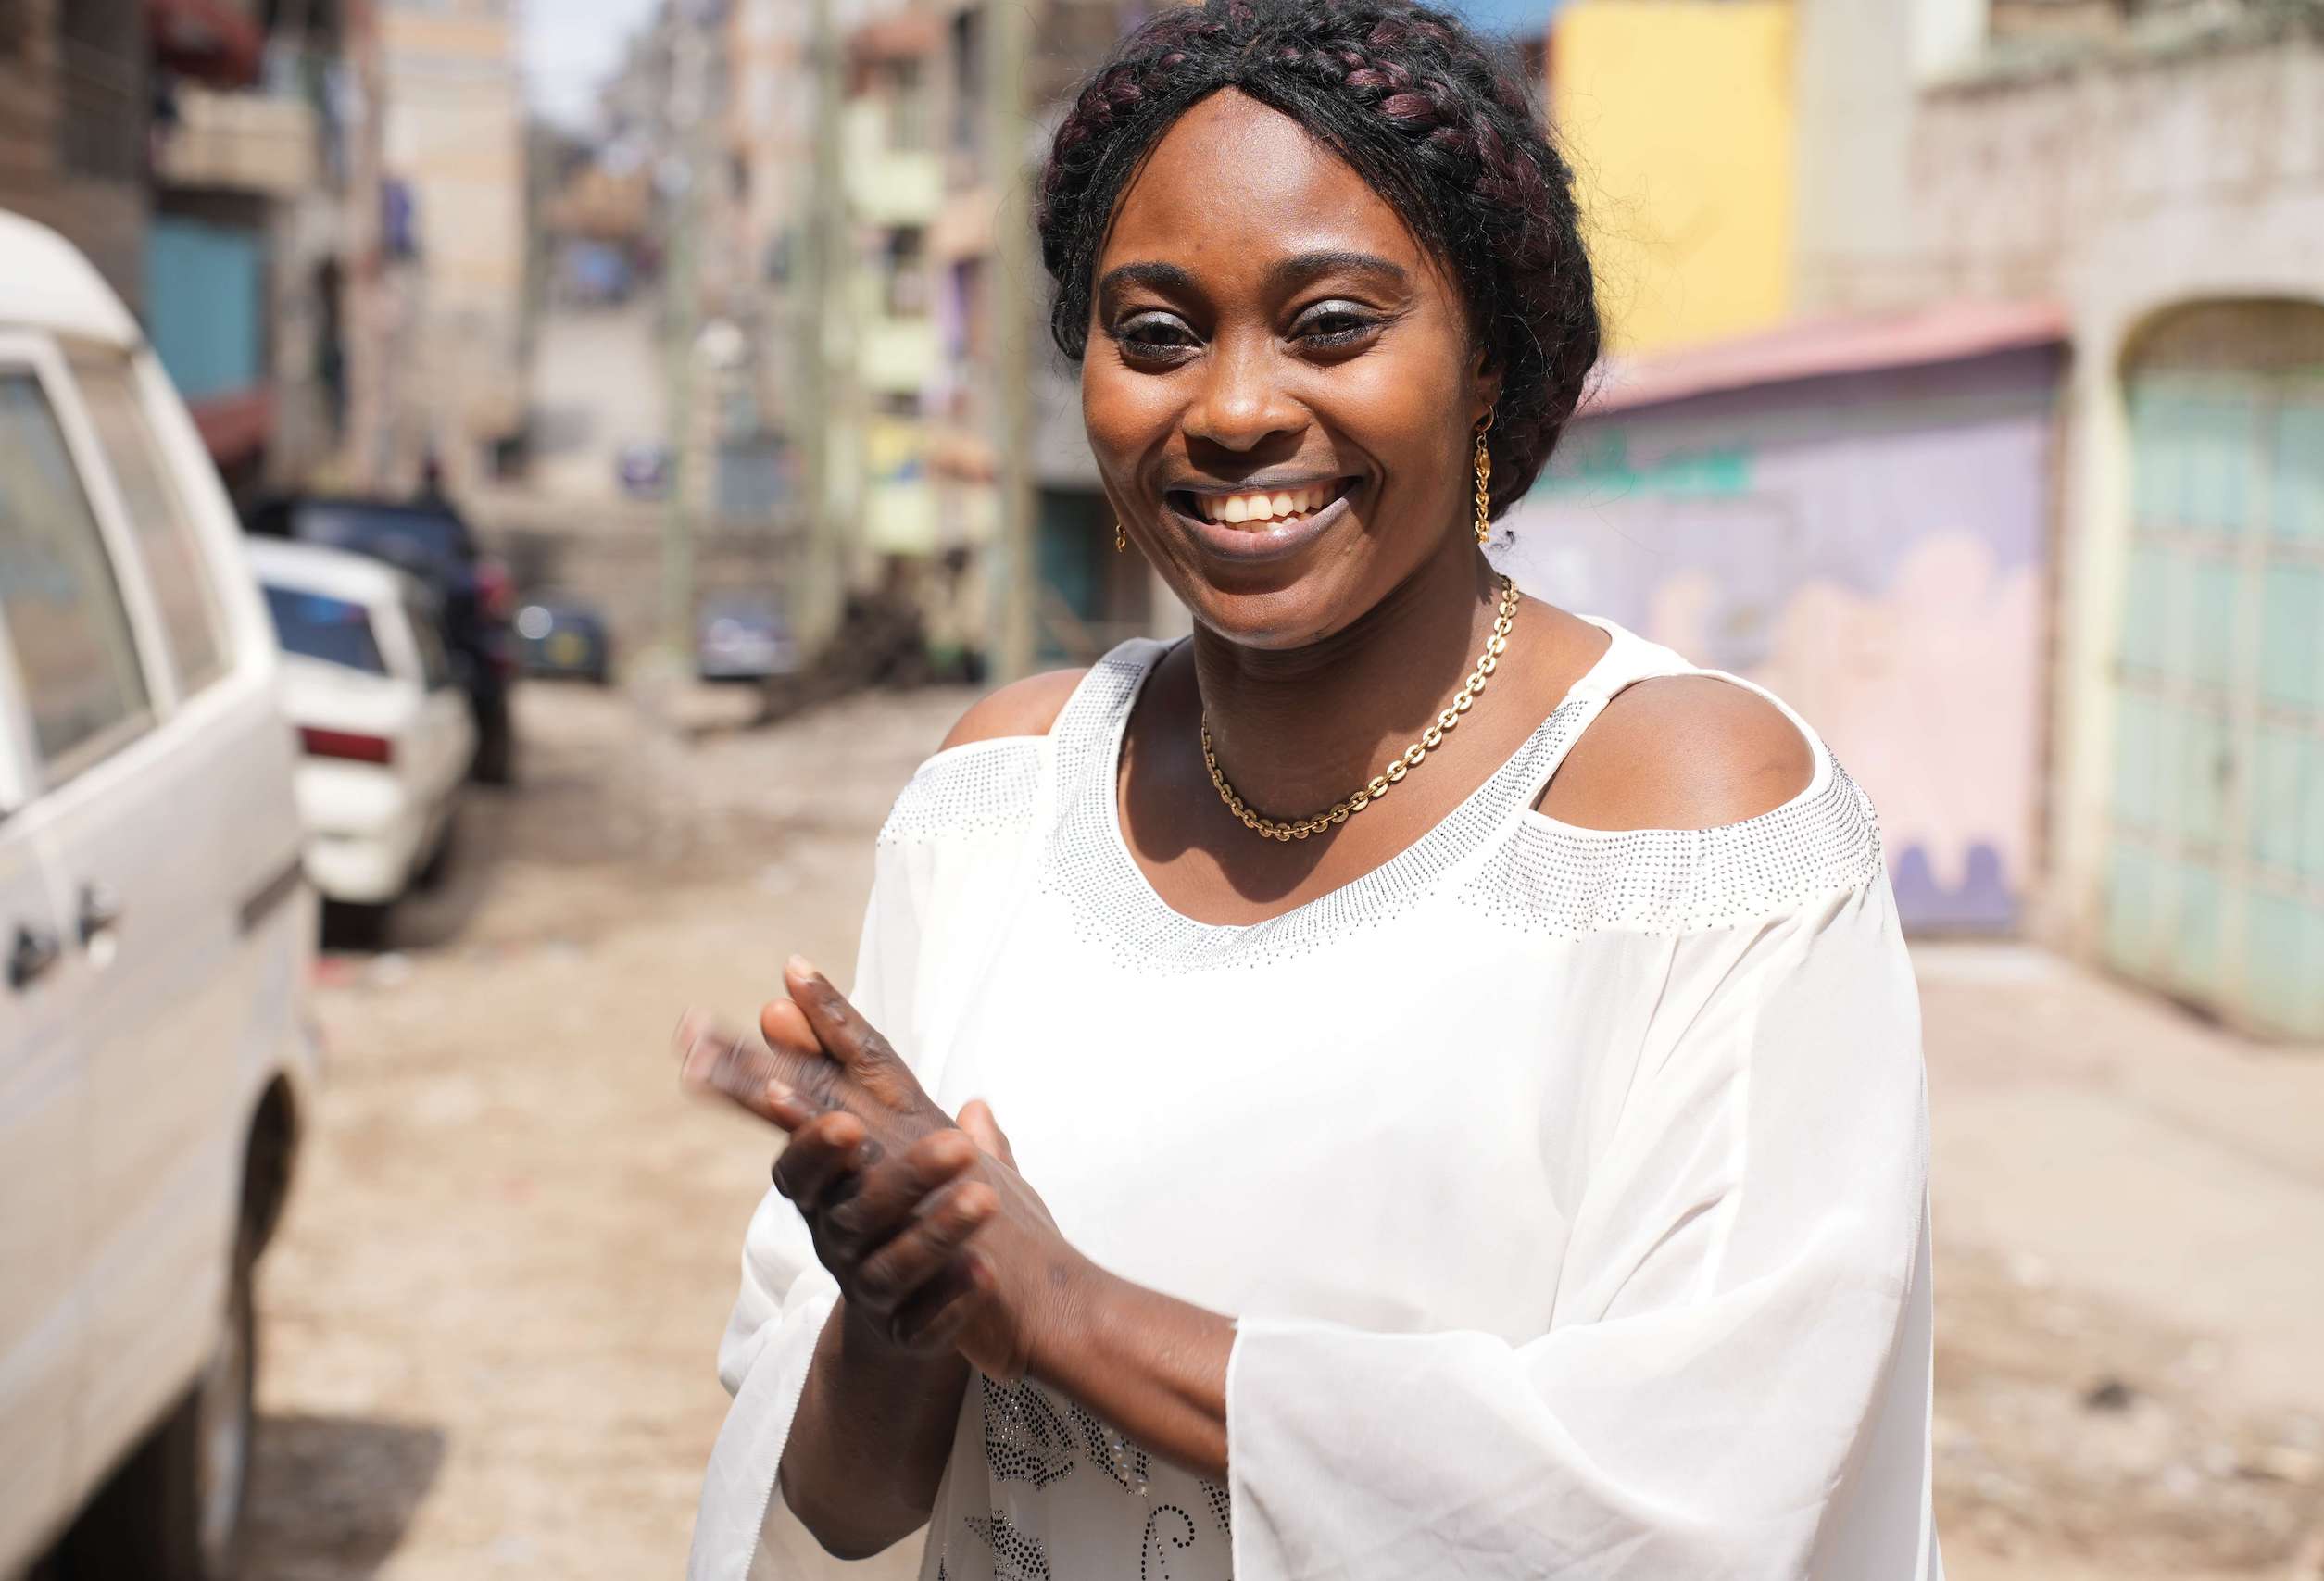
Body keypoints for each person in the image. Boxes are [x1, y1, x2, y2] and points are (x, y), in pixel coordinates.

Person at [683, 0, 1940, 1575]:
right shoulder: (999, 799)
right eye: (1155, 334)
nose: (1231, 407)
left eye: (1333, 324)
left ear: (1486, 360)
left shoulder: (1685, 818)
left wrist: (1069, 1311)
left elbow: (1701, 1492)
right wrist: (907, 1290)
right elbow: (854, 1513)